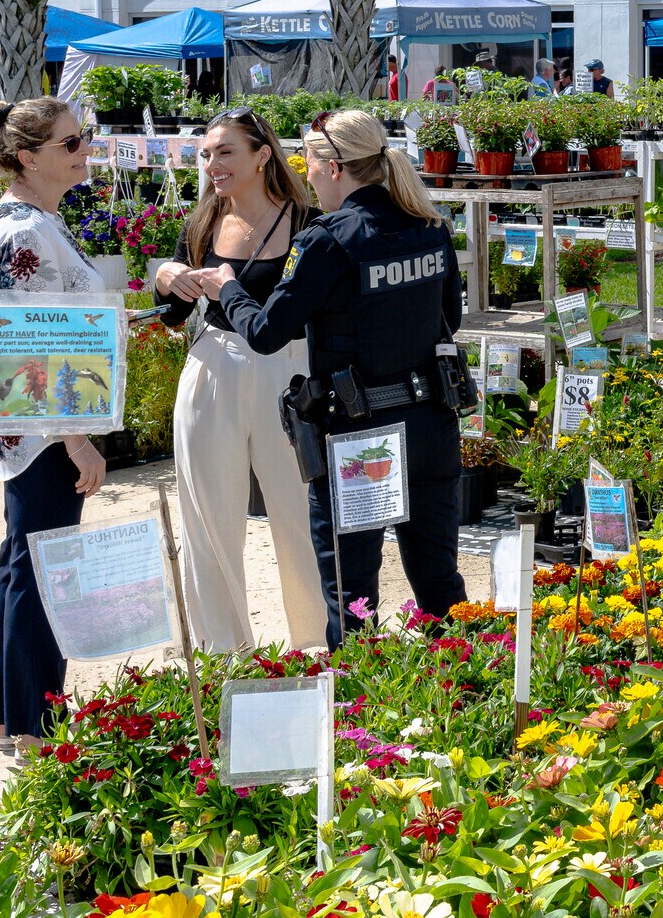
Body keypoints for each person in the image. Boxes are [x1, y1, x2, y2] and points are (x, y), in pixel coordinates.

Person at [179, 109, 468, 647]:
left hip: (360, 437)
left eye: (307, 161)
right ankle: (467, 700)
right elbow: (450, 317)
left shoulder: (327, 241)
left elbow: (267, 333)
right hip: (430, 424)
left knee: (350, 591)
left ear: (334, 167)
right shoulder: (430, 227)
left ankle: (361, 715)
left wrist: (227, 287)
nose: (304, 173)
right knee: (439, 581)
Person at [152, 108, 325, 651]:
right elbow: (173, 313)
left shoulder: (307, 220)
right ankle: (223, 656)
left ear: (262, 156)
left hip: (291, 373)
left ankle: (321, 647)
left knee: (302, 513)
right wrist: (166, 275)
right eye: (206, 154)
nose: (213, 164)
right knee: (206, 519)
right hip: (213, 367)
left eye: (225, 152)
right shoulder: (202, 221)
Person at [0, 98, 108, 750]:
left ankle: (11, 710)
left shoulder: (31, 220)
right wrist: (76, 440)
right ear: (28, 155)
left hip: (28, 423)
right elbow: (33, 342)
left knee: (27, 562)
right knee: (48, 568)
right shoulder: (25, 229)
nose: (84, 149)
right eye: (70, 141)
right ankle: (32, 722)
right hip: (41, 427)